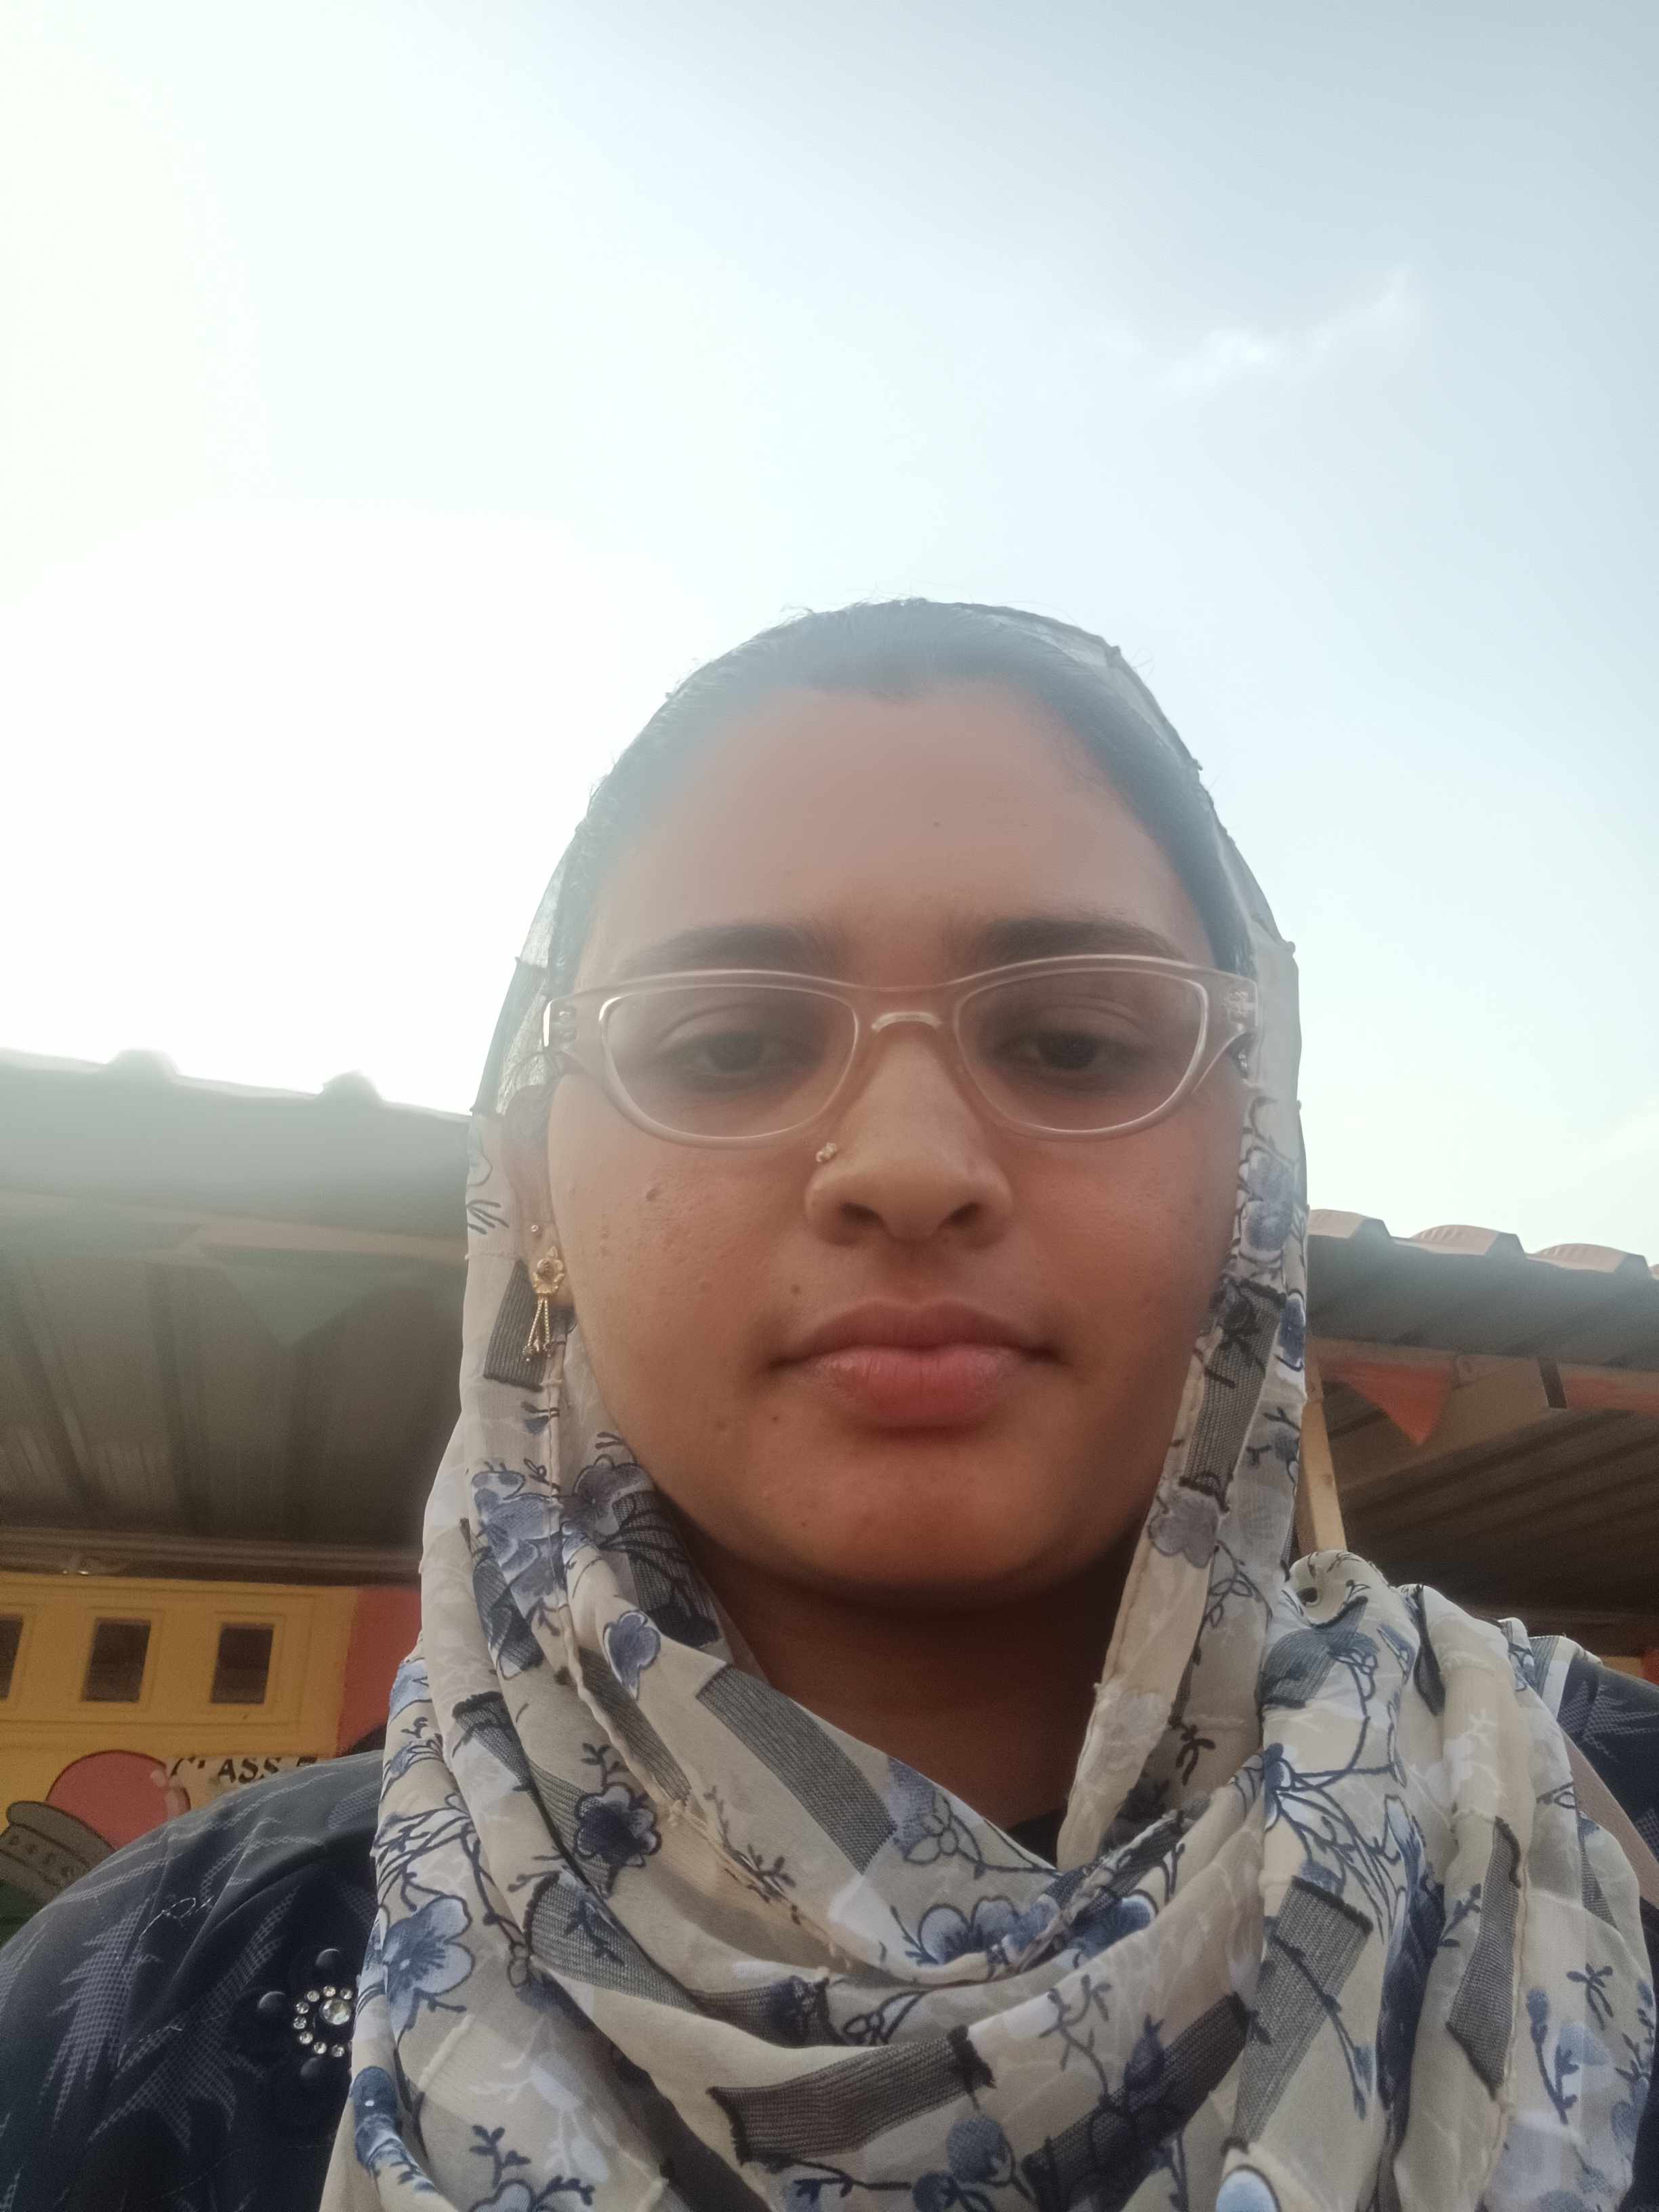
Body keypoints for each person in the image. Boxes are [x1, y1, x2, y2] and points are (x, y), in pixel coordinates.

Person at [1, 601, 1654, 2212]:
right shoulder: (155, 1993)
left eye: (1076, 1044)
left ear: (1256, 1169)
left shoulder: (1597, 1837)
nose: (909, 1165)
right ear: (537, 1189)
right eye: (729, 1047)